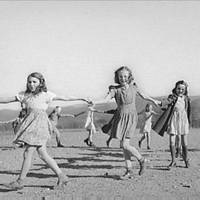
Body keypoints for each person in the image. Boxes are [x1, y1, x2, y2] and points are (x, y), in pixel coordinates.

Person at [0, 72, 90, 190]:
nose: (31, 84)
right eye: (29, 82)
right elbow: (7, 99)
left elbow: (65, 97)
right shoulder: (25, 95)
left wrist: (82, 98)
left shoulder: (46, 94)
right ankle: (62, 176)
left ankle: (20, 181)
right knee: (43, 154)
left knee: (28, 152)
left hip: (40, 126)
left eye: (34, 82)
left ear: (40, 83)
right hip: (30, 124)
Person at [94, 66, 160, 179]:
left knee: (125, 144)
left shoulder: (134, 88)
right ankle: (129, 171)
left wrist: (154, 100)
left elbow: (144, 96)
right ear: (117, 77)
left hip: (131, 118)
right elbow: (105, 99)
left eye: (125, 76)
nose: (123, 78)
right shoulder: (115, 90)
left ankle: (142, 160)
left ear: (129, 76)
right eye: (120, 76)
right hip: (120, 118)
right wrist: (94, 101)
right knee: (124, 146)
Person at [153, 80, 191, 168]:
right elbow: (167, 101)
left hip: (183, 120)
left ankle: (186, 159)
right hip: (174, 120)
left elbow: (188, 110)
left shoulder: (186, 98)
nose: (180, 90)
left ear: (185, 90)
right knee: (172, 141)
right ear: (175, 88)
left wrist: (188, 121)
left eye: (182, 89)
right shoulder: (173, 97)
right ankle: (173, 160)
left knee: (184, 141)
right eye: (179, 88)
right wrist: (158, 102)